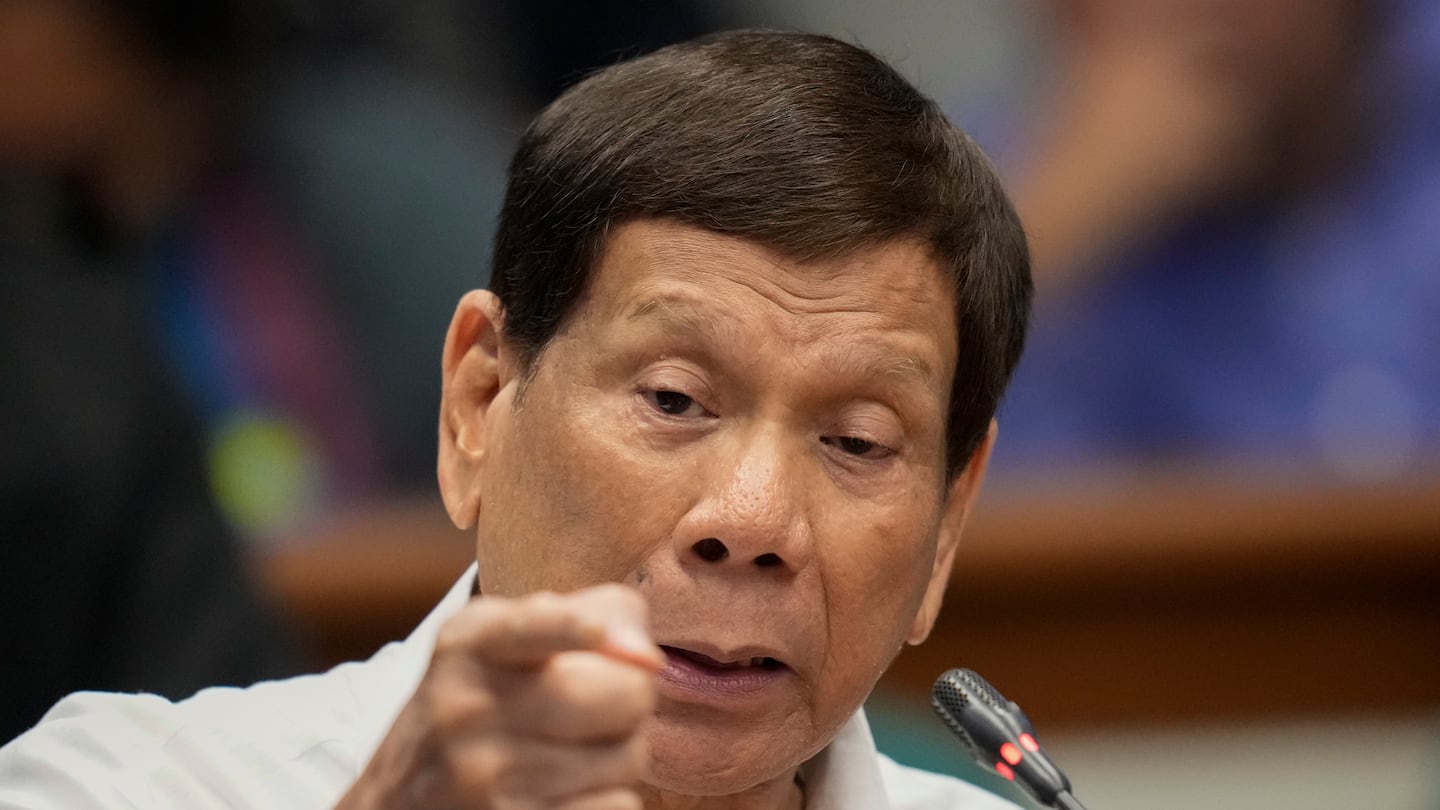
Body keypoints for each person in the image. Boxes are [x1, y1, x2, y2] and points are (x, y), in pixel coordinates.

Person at [0, 30, 1032, 809]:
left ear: (947, 522)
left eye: (855, 443)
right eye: (674, 401)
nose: (752, 522)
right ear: (479, 405)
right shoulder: (123, 785)